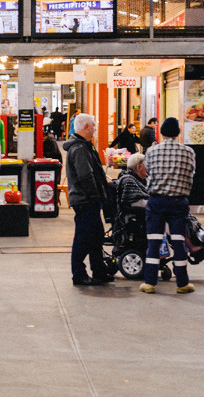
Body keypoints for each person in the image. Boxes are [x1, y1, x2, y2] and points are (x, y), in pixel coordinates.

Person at [139, 118, 196, 294]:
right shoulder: (188, 152)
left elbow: (148, 173)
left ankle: (149, 283)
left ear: (161, 133)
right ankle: (182, 283)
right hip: (179, 202)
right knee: (179, 241)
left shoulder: (151, 151)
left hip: (156, 201)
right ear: (178, 133)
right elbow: (191, 175)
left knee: (154, 241)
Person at [63, 113, 113, 286]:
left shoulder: (85, 146)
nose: (95, 128)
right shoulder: (79, 149)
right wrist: (95, 195)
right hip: (85, 200)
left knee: (97, 236)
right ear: (85, 127)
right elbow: (85, 175)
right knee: (83, 237)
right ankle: (78, 274)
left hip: (88, 199)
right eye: (93, 125)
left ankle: (99, 270)